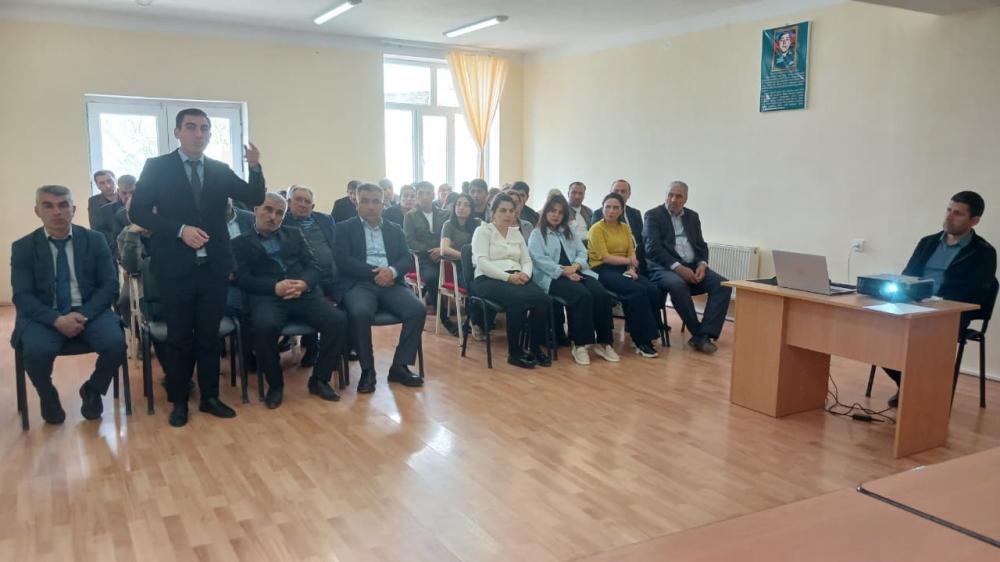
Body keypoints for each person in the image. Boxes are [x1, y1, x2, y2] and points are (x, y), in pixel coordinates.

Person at [130, 107, 266, 428]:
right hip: (174, 267)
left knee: (208, 336)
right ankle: (179, 400)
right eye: (191, 127)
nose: (199, 133)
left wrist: (255, 166)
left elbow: (254, 195)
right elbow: (138, 212)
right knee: (179, 337)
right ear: (177, 132)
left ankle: (210, 397)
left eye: (204, 128)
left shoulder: (219, 169)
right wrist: (179, 230)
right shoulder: (157, 167)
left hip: (213, 267)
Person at [11, 185, 126, 424]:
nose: (57, 212)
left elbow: (110, 285)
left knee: (116, 343)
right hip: (45, 314)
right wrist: (56, 319)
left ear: (73, 209)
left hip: (89, 310)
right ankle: (47, 395)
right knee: (34, 351)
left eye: (63, 205)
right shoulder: (23, 247)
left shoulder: (95, 240)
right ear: (37, 211)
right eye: (48, 206)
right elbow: (22, 296)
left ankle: (93, 389)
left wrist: (83, 314)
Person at [881, 191, 996, 408]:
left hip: (951, 313)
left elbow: (976, 293)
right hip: (914, 305)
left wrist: (939, 302)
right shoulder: (928, 242)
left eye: (958, 213)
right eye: (949, 210)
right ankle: (908, 384)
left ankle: (918, 388)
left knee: (922, 337)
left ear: (974, 220)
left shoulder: (984, 252)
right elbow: (907, 275)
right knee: (877, 330)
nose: (949, 217)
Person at [232, 193, 347, 409]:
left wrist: (304, 283)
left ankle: (319, 380)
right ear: (256, 209)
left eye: (279, 213)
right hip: (268, 297)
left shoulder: (294, 234)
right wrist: (274, 287)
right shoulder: (240, 243)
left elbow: (314, 266)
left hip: (302, 294)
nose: (273, 216)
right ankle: (275, 385)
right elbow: (242, 279)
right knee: (264, 327)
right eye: (268, 209)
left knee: (338, 320)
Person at [332, 183, 426, 393]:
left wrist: (391, 271)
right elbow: (343, 260)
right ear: (356, 203)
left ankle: (400, 366)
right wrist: (376, 273)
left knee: (417, 309)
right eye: (365, 201)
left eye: (376, 201)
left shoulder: (395, 229)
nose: (371, 206)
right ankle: (367, 370)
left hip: (391, 283)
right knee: (360, 313)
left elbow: (406, 258)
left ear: (383, 204)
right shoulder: (343, 228)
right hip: (358, 283)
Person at [529, 195, 619, 365]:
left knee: (601, 294)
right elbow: (540, 260)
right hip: (551, 277)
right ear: (545, 212)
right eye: (553, 211)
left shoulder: (569, 231)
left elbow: (582, 252)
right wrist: (564, 272)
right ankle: (580, 345)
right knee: (581, 295)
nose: (556, 215)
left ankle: (604, 342)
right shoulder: (537, 234)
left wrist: (575, 266)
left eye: (560, 212)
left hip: (576, 271)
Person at [644, 181, 732, 354]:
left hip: (692, 266)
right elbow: (652, 248)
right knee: (677, 284)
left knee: (723, 285)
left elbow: (701, 245)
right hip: (663, 268)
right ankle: (699, 335)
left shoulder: (692, 216)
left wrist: (702, 264)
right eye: (670, 195)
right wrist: (678, 268)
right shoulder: (653, 215)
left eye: (678, 196)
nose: (673, 199)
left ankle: (705, 334)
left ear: (685, 199)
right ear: (665, 196)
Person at [471, 193, 552, 369]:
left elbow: (526, 260)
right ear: (493, 213)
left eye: (511, 211)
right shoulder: (483, 231)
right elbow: (482, 262)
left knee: (543, 300)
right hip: (487, 279)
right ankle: (514, 353)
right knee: (517, 300)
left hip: (517, 276)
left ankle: (534, 347)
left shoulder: (516, 234)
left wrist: (525, 274)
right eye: (502, 210)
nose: (508, 214)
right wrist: (508, 277)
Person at [589, 193, 662, 358]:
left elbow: (631, 251)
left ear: (621, 210)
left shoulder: (625, 228)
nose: (611, 211)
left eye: (616, 208)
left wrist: (631, 268)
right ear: (602, 208)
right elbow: (605, 257)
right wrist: (629, 261)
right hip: (602, 269)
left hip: (624, 268)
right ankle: (642, 340)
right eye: (608, 207)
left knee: (652, 288)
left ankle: (647, 333)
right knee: (637, 290)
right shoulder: (596, 229)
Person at [281, 185, 338, 366]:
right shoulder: (281, 222)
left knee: (351, 296)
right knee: (314, 296)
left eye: (307, 201)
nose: (303, 204)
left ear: (313, 206)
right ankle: (313, 349)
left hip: (331, 274)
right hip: (304, 277)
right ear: (289, 202)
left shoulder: (325, 219)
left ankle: (342, 348)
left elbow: (335, 245)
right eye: (298, 200)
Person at [404, 181, 455, 334]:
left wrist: (441, 250)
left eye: (428, 193)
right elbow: (409, 240)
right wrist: (429, 251)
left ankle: (474, 321)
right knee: (433, 277)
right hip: (423, 259)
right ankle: (444, 318)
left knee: (465, 275)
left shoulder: (445, 214)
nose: (424, 197)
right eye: (421, 193)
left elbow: (450, 236)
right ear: (417, 196)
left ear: (433, 195)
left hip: (446, 255)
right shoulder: (410, 216)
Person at [441, 193, 482, 338]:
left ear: (471, 208)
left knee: (488, 284)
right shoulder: (448, 224)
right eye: (458, 204)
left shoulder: (478, 223)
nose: (461, 207)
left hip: (479, 264)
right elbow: (444, 249)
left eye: (466, 205)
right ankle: (474, 322)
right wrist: (465, 256)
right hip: (458, 266)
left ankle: (477, 321)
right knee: (474, 285)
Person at [592, 179, 647, 274]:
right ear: (610, 193)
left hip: (636, 256)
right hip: (613, 258)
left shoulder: (635, 213)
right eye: (616, 191)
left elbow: (641, 238)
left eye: (623, 191)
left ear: (629, 195)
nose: (619, 194)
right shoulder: (598, 213)